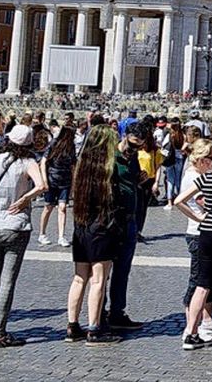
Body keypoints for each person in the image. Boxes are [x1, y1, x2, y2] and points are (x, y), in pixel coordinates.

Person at [0, 125, 46, 347]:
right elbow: (42, 185)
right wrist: (26, 198)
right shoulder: (28, 162)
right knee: (7, 282)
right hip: (15, 227)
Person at [66, 125, 123, 345]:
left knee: (79, 278)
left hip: (81, 226)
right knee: (99, 280)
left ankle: (72, 325)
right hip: (101, 227)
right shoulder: (109, 169)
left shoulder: (81, 167)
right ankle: (94, 328)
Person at [178, 139, 212, 345]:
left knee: (210, 280)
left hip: (207, 233)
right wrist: (199, 218)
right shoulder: (194, 178)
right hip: (197, 233)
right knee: (197, 281)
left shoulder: (203, 174)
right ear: (202, 159)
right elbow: (204, 202)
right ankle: (191, 328)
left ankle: (205, 319)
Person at [105, 120, 145, 332]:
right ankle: (100, 312)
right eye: (132, 144)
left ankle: (117, 311)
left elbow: (132, 182)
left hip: (130, 219)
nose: (135, 149)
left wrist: (140, 179)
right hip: (113, 220)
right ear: (124, 136)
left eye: (139, 146)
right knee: (104, 269)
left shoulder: (134, 157)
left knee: (123, 269)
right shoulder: (111, 156)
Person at [38, 124, 77, 247]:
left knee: (62, 207)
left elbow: (73, 166)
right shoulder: (54, 144)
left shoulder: (71, 147)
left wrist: (73, 184)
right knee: (48, 207)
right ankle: (42, 233)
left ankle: (61, 236)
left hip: (65, 181)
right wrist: (44, 179)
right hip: (52, 179)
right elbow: (43, 162)